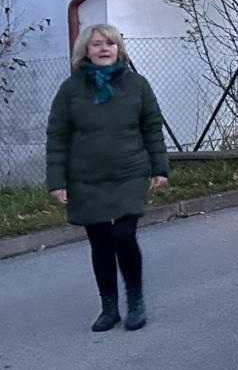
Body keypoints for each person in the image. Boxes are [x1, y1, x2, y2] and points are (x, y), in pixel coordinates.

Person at [46, 24, 169, 332]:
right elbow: (57, 136)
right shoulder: (71, 89)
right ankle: (109, 307)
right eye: (97, 44)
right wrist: (57, 180)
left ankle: (135, 300)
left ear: (118, 49)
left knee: (124, 235)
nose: (103, 49)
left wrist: (160, 168)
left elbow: (152, 128)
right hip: (85, 177)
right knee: (100, 242)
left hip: (129, 172)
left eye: (110, 43)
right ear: (85, 51)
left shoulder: (137, 84)